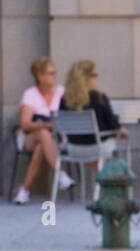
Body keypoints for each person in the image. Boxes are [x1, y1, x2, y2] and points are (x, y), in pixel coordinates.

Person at [14, 57, 74, 204]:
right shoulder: (31, 94)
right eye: (51, 73)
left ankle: (24, 191)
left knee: (42, 146)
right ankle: (60, 174)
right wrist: (45, 125)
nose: (55, 76)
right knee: (43, 134)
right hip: (30, 138)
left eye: (55, 72)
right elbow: (25, 124)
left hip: (57, 138)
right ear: (40, 76)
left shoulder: (61, 92)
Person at [60, 59, 127, 190]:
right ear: (87, 78)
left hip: (73, 149)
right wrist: (120, 131)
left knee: (101, 152)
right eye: (95, 75)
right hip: (97, 148)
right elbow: (113, 125)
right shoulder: (98, 98)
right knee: (116, 143)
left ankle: (106, 185)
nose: (96, 79)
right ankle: (112, 187)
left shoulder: (64, 100)